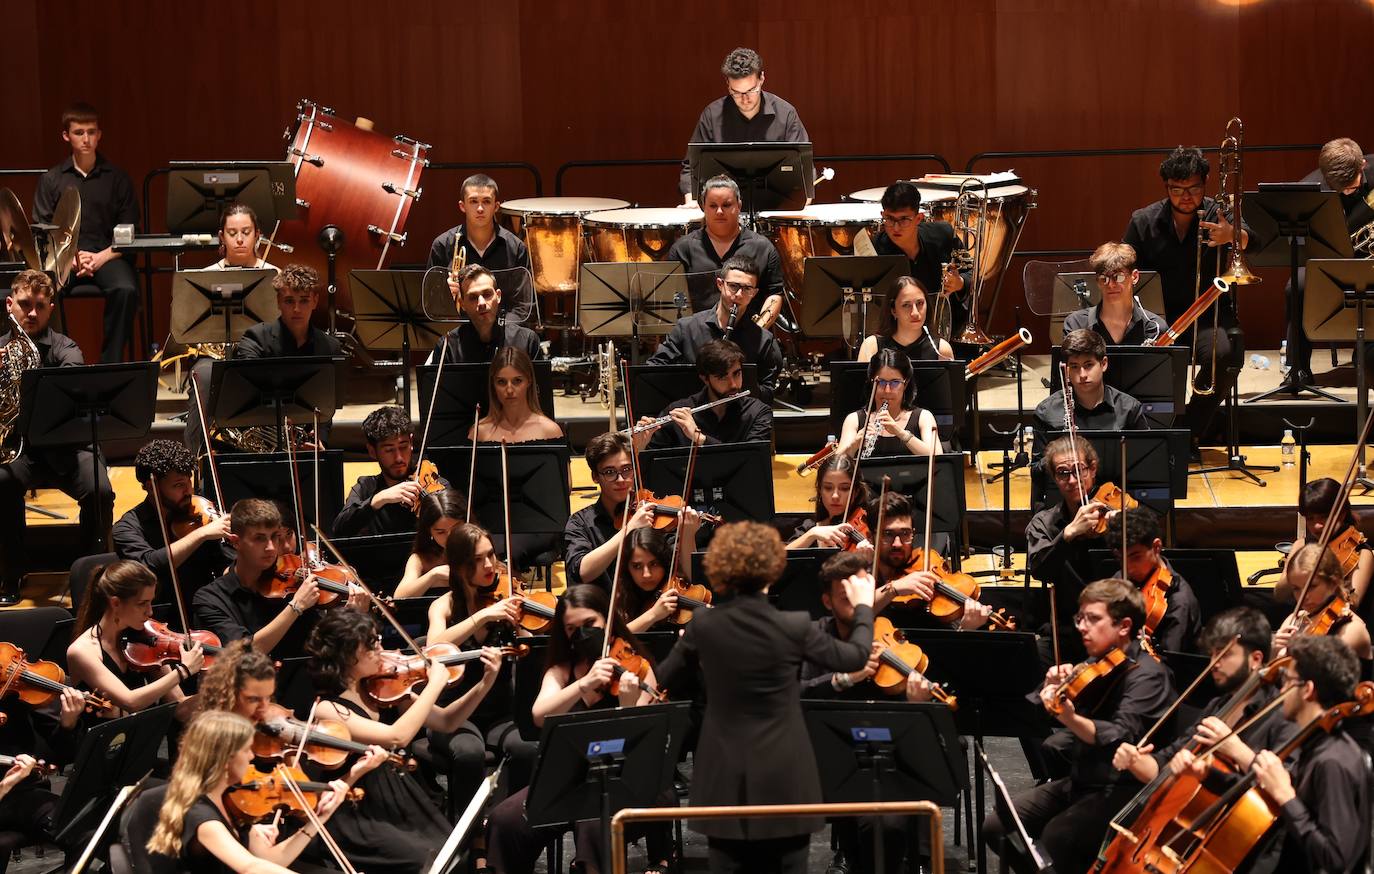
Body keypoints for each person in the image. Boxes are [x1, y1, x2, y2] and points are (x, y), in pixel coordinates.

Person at [653, 522, 873, 873]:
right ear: (773, 568)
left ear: (721, 569)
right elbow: (856, 657)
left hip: (722, 776)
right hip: (784, 773)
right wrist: (863, 607)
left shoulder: (703, 627)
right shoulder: (794, 626)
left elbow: (660, 681)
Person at [983, 579, 1174, 874]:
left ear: (1124, 626)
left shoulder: (1148, 676)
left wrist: (1070, 717)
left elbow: (1121, 737)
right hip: (1083, 778)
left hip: (1123, 788)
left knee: (1057, 839)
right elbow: (1036, 714)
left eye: (1093, 619)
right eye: (1080, 618)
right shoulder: (1097, 662)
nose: (1082, 626)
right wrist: (1050, 689)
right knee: (998, 825)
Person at [485, 585, 670, 874]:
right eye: (572, 629)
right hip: (568, 780)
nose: (582, 634)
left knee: (594, 818)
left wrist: (626, 702)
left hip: (623, 782)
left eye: (590, 624)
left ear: (607, 622)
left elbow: (639, 744)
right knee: (504, 820)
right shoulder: (562, 670)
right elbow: (538, 715)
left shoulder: (637, 667)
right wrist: (582, 685)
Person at [306, 609, 499, 874]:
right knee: (423, 862)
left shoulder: (383, 690)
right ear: (350, 654)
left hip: (400, 794)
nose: (383, 649)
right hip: (360, 809)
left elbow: (446, 721)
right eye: (373, 643)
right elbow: (396, 736)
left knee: (450, 857)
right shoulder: (328, 709)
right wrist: (434, 684)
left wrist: (485, 683)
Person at [801, 551, 937, 874]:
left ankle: (912, 860)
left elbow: (913, 721)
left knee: (884, 826)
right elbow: (797, 692)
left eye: (861, 593)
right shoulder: (813, 636)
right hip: (833, 755)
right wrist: (845, 678)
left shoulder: (888, 634)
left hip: (888, 757)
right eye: (845, 596)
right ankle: (851, 853)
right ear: (827, 602)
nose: (857, 604)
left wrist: (917, 702)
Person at [1111, 608, 1296, 820]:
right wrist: (1135, 761)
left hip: (1238, 829)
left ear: (1255, 659)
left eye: (1224, 654)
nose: (1213, 664)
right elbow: (1163, 766)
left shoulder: (1281, 711)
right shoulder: (1217, 707)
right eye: (1213, 654)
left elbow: (1286, 788)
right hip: (1189, 819)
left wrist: (1237, 750)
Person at [0, 269, 114, 603]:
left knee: (99, 488)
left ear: (51, 308)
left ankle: (90, 571)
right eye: (24, 304)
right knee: (2, 482)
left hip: (65, 446)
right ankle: (12, 572)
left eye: (39, 305)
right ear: (10, 305)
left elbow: (71, 385)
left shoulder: (66, 349)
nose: (31, 313)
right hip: (16, 448)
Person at [1123, 146, 1250, 440]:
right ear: (1167, 187)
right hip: (1157, 318)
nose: (1186, 196)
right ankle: (1147, 433)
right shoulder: (1144, 220)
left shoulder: (1222, 213)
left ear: (1205, 183)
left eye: (1193, 188)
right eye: (1176, 189)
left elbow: (1249, 238)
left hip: (1208, 315)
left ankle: (1187, 432)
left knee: (1228, 353)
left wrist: (1231, 234)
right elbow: (1125, 263)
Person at [143, 710, 352, 874]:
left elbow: (270, 860)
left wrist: (320, 818)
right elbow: (251, 868)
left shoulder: (229, 801)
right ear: (226, 760)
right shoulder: (202, 816)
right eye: (246, 750)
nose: (252, 756)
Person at [186, 263, 343, 454]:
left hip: (306, 443)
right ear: (278, 301)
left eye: (303, 301)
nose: (296, 309)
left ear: (315, 301)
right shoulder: (256, 339)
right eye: (288, 301)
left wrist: (320, 440)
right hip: (261, 443)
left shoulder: (329, 347)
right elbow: (249, 399)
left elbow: (326, 407)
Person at [1249, 634, 1370, 871]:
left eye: (1287, 680)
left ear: (1308, 690)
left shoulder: (1332, 762)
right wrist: (1207, 774)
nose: (1281, 688)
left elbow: (1335, 859)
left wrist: (1286, 797)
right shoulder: (1315, 744)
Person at [32, 102, 139, 364]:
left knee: (126, 289)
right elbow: (41, 229)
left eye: (91, 132)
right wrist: (70, 257)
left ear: (99, 134)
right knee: (44, 292)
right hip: (64, 260)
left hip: (107, 256)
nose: (86, 139)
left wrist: (100, 257)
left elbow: (129, 230)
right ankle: (60, 363)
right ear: (66, 136)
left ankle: (110, 366)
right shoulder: (52, 179)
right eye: (79, 132)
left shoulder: (117, 178)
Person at [192, 499, 364, 658]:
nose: (271, 547)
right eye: (259, 539)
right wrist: (295, 608)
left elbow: (326, 651)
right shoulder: (209, 599)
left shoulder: (295, 585)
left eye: (275, 537)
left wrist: (351, 617)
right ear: (235, 542)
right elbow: (245, 653)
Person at [67, 560, 204, 718]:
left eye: (151, 602)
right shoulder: (82, 652)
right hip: (108, 740)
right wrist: (183, 671)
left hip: (147, 735)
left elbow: (179, 706)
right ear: (116, 603)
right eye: (142, 604)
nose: (150, 612)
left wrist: (219, 692)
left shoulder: (146, 637)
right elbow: (130, 702)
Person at [678, 47, 809, 208]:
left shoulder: (785, 114)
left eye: (751, 90)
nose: (745, 99)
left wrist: (803, 197)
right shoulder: (712, 115)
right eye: (737, 92)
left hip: (774, 210)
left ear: (761, 79)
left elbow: (804, 167)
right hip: (724, 211)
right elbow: (691, 166)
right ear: (728, 84)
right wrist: (691, 199)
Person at [1030, 329, 1148, 508]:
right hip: (1065, 506)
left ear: (1104, 364)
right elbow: (1036, 471)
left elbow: (1146, 463)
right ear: (1066, 370)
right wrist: (1060, 457)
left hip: (1115, 505)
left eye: (1088, 365)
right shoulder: (1047, 412)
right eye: (1074, 367)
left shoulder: (1129, 409)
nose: (1082, 374)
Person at [648, 255, 785, 403]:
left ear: (754, 293)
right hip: (693, 416)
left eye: (747, 289)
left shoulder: (763, 340)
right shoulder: (686, 329)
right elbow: (653, 372)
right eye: (733, 286)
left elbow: (768, 394)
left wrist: (739, 380)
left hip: (739, 420)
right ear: (720, 284)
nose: (738, 295)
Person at [1026, 437, 1114, 665]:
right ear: (1055, 478)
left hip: (1114, 625)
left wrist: (1122, 527)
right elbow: (1039, 570)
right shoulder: (1043, 523)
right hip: (1068, 628)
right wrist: (1067, 534)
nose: (1073, 480)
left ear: (1093, 469)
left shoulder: (1114, 510)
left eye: (1079, 470)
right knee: (1031, 657)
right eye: (1063, 473)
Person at [1292, 138, 1374, 380]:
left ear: (1362, 165)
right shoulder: (1308, 187)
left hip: (1368, 256)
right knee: (1296, 286)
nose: (1347, 192)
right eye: (1340, 188)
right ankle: (1298, 367)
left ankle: (1368, 353)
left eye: (1352, 186)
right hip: (1329, 260)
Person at [112, 439, 231, 599]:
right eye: (178, 485)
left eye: (189, 480)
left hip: (205, 606)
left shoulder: (201, 514)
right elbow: (148, 566)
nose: (189, 490)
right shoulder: (127, 528)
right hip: (156, 614)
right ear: (150, 486)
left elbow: (223, 565)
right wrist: (201, 534)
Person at [667, 174, 785, 325]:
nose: (719, 212)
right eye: (713, 205)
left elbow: (774, 294)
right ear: (703, 207)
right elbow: (673, 298)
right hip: (698, 338)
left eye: (727, 205)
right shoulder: (682, 249)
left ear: (739, 206)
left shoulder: (763, 248)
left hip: (748, 338)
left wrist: (757, 331)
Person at [865, 490, 993, 629]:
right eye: (888, 534)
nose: (898, 543)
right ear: (870, 536)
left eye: (905, 533)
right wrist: (894, 588)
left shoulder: (926, 568)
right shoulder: (859, 575)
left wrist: (965, 630)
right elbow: (851, 614)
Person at [869, 182, 971, 342]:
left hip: (948, 332)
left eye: (903, 220)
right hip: (897, 336)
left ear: (919, 218)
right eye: (889, 219)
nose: (895, 228)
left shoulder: (943, 234)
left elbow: (971, 273)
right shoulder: (874, 249)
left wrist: (960, 282)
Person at [333, 405, 450, 537]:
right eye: (389, 450)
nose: (399, 457)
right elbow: (339, 529)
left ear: (411, 442)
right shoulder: (366, 487)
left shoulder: (432, 482)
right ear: (372, 451)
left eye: (403, 447)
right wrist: (378, 499)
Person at [564, 432, 658, 590]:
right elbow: (581, 572)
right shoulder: (580, 522)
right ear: (595, 477)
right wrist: (628, 530)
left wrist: (688, 533)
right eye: (609, 472)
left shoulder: (650, 513)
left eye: (627, 469)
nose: (621, 479)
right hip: (603, 610)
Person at [638, 338, 771, 449]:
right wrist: (641, 446)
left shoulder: (758, 412)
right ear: (705, 378)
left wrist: (699, 438)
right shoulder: (677, 412)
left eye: (737, 374)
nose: (734, 385)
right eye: (723, 377)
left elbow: (752, 460)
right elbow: (651, 466)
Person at [1105, 506, 1200, 654]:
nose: (1127, 567)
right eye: (1120, 558)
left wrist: (1144, 650)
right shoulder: (1122, 578)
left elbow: (1169, 665)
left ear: (1156, 547)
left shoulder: (1179, 601)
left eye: (1135, 557)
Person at [1276, 477, 1374, 620]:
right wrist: (1293, 570)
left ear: (1341, 513)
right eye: (1310, 518)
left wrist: (1331, 579)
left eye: (1324, 517)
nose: (1316, 526)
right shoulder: (1301, 545)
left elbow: (1353, 603)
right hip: (1304, 621)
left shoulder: (1361, 552)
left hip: (1345, 627)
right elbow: (1279, 595)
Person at [1272, 543, 1373, 661]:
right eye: (1296, 588)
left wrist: (1289, 653)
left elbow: (1322, 671)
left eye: (1312, 586)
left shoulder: (1352, 629)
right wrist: (1276, 651)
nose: (1303, 596)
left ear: (1333, 582)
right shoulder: (1294, 620)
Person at [428, 264, 544, 365]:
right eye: (473, 297)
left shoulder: (527, 341)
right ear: (462, 304)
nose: (481, 303)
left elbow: (539, 389)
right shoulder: (447, 347)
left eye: (487, 294)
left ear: (498, 296)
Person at [838, 348, 941, 458]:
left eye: (895, 382)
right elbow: (835, 466)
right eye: (881, 382)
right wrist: (855, 444)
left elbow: (938, 458)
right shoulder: (854, 420)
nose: (887, 390)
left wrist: (900, 432)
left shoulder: (924, 417)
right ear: (872, 382)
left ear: (905, 384)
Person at [1062, 242, 1167, 345]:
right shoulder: (1076, 325)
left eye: (1118, 277)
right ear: (1098, 281)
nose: (1111, 285)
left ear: (1134, 277)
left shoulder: (1155, 328)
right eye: (1104, 279)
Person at [426, 173, 531, 276]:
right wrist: (447, 289)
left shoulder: (516, 248)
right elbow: (432, 292)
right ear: (462, 206)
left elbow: (522, 293)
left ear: (496, 207)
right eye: (473, 201)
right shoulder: (442, 246)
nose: (480, 209)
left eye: (486, 202)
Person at [615, 526, 702, 633]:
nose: (646, 574)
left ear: (664, 562)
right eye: (637, 566)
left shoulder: (680, 585)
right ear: (627, 568)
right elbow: (616, 639)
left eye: (654, 564)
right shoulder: (622, 596)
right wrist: (654, 614)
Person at [469, 346, 563, 443]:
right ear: (493, 385)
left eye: (517, 381)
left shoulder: (550, 431)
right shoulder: (479, 433)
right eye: (501, 382)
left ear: (529, 381)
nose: (509, 390)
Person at [857, 275, 954, 363]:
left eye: (920, 303)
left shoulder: (942, 350)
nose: (915, 313)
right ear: (893, 310)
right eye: (906, 305)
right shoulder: (871, 347)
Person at [787, 453, 870, 549]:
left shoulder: (868, 522)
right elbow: (778, 558)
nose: (835, 496)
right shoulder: (810, 527)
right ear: (820, 490)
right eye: (828, 488)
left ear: (856, 492)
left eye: (844, 488)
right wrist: (812, 534)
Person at [394, 489, 467, 599]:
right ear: (429, 531)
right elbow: (399, 597)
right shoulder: (420, 559)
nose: (450, 536)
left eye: (456, 528)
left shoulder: (478, 546)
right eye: (441, 532)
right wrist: (433, 575)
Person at [206, 203, 275, 270]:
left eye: (246, 232)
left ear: (256, 235)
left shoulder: (275, 275)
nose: (239, 239)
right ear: (222, 237)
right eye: (232, 233)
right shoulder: (206, 277)